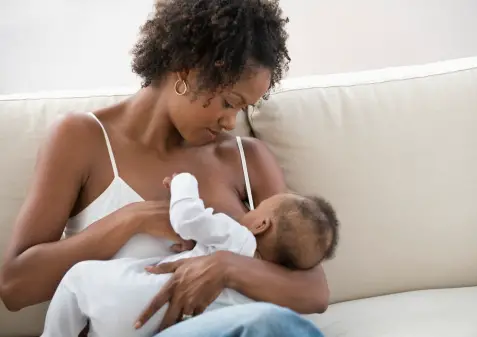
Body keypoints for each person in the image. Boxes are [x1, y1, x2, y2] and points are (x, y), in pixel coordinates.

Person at [0, 0, 331, 336]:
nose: (231, 121)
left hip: (233, 328)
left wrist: (226, 267)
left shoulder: (248, 158)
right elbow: (15, 286)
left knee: (273, 325)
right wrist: (132, 220)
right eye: (229, 102)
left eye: (243, 108)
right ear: (187, 69)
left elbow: (315, 292)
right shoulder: (82, 138)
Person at [41, 172, 339, 337]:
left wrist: (184, 182)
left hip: (128, 300)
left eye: (254, 207)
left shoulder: (238, 235)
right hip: (168, 326)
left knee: (79, 277)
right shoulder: (267, 291)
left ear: (260, 224)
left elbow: (187, 218)